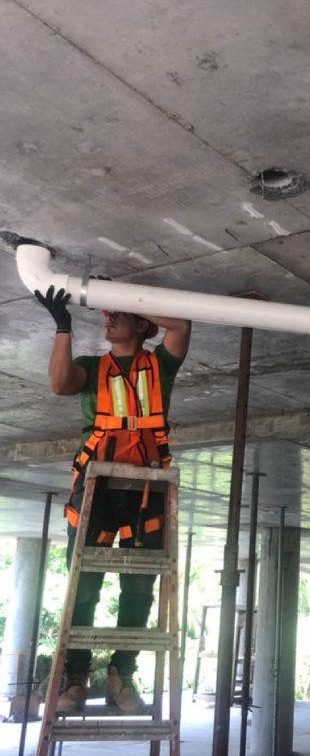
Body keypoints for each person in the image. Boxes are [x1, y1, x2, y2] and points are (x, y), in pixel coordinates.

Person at [34, 282, 191, 714]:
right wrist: (63, 327)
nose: (108, 318)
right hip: (97, 486)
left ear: (144, 324)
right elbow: (61, 384)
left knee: (139, 587)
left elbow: (180, 326)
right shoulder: (91, 366)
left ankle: (122, 677)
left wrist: (133, 303)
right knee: (83, 586)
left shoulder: (160, 364)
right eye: (108, 314)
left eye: (119, 315)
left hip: (147, 487)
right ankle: (78, 677)